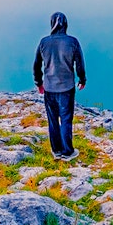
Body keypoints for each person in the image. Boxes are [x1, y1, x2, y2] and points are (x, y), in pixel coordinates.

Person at [34, 12, 86, 160]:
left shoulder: (44, 42)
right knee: (66, 119)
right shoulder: (72, 42)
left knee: (52, 120)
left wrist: (39, 83)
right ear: (66, 24)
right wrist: (82, 79)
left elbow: (37, 65)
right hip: (66, 88)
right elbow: (80, 64)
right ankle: (67, 152)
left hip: (49, 88)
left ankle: (56, 150)